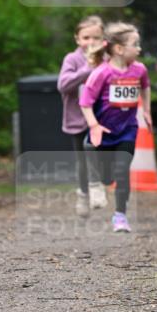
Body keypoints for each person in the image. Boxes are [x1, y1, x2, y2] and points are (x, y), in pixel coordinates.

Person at [79, 22, 152, 233]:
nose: (139, 49)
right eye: (135, 44)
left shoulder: (140, 70)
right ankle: (96, 182)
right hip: (103, 130)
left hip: (127, 129)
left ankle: (120, 216)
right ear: (119, 49)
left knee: (122, 172)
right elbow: (85, 103)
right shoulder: (102, 73)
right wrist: (94, 125)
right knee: (106, 177)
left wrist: (146, 110)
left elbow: (146, 88)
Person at [57, 15, 108, 217]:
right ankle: (84, 193)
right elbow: (63, 85)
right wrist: (87, 70)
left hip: (103, 118)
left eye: (96, 37)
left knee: (100, 154)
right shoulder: (72, 59)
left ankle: (97, 186)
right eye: (86, 37)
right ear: (77, 39)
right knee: (83, 161)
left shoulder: (108, 59)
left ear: (103, 39)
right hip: (78, 119)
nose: (91, 42)